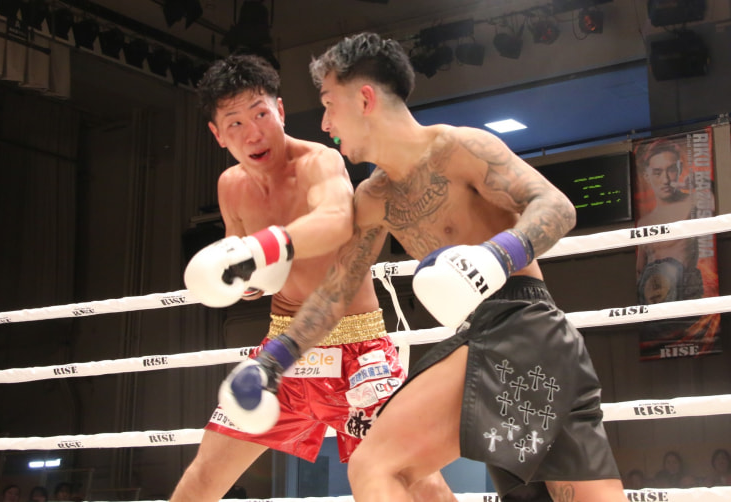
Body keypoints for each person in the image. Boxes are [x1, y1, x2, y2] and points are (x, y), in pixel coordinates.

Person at [218, 32, 627, 501]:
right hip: (498, 337)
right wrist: (272, 361)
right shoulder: (374, 198)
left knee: (376, 465)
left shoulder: (460, 148)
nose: (326, 122)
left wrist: (496, 256)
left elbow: (556, 206)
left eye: (329, 103)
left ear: (365, 99)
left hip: (523, 323)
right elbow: (335, 292)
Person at [171, 54, 452, 502]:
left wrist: (262, 247)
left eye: (260, 114)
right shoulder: (230, 186)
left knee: (416, 481)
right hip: (282, 351)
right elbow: (249, 277)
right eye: (235, 123)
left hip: (357, 350)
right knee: (204, 474)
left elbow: (336, 221)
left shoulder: (319, 162)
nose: (253, 133)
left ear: (280, 111)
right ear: (218, 134)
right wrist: (243, 282)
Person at [635, 140, 702, 304]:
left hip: (685, 294)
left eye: (671, 170)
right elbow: (640, 268)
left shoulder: (693, 203)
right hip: (654, 299)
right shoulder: (644, 222)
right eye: (657, 172)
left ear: (679, 169)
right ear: (647, 176)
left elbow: (712, 203)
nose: (665, 180)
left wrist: (701, 186)